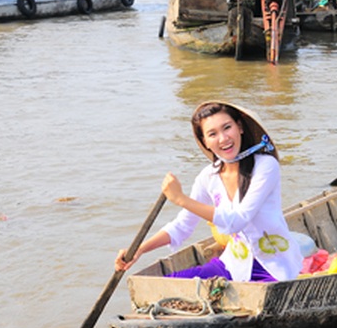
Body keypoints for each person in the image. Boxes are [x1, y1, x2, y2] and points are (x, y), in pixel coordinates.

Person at [115, 101, 303, 283]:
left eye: (227, 128)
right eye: (212, 134)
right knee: (165, 286)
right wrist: (139, 249)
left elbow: (237, 220)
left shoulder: (265, 165)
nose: (223, 138)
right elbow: (182, 225)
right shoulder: (209, 176)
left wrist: (181, 199)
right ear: (205, 142)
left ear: (240, 128)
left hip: (275, 268)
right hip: (233, 265)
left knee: (248, 303)